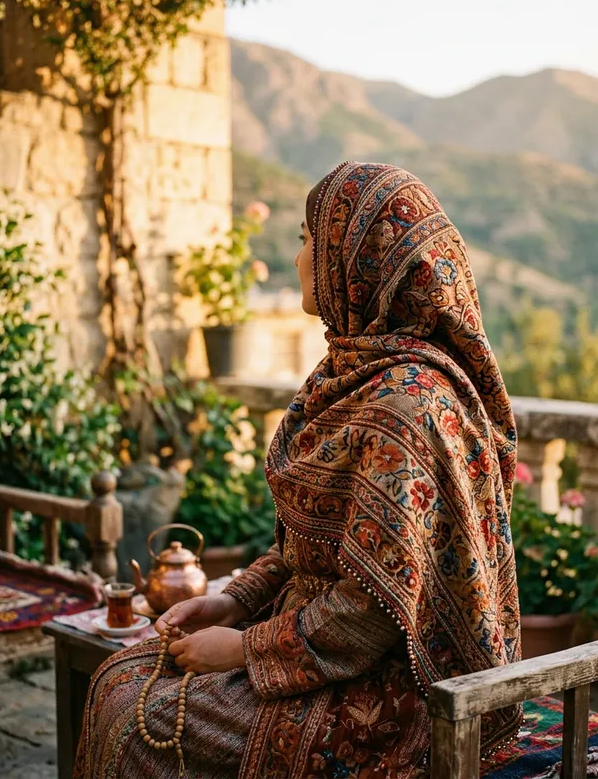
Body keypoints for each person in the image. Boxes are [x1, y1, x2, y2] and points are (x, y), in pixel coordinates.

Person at [75, 162, 522, 779]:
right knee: (118, 677)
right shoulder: (351, 375)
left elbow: (372, 608)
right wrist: (231, 602)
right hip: (315, 642)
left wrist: (246, 650)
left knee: (139, 716)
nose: (297, 259)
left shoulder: (408, 405)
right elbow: (307, 549)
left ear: (356, 261)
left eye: (310, 241)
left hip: (395, 692)